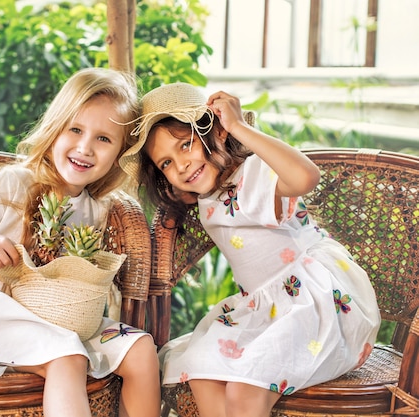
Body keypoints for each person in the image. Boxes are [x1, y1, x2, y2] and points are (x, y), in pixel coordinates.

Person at [118, 82, 381, 417]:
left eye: (186, 145)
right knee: (203, 370)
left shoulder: (251, 175)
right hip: (265, 309)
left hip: (312, 303)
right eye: (166, 163)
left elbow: (305, 176)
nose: (181, 165)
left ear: (216, 133)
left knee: (244, 389)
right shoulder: (204, 195)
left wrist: (239, 127)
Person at [0, 68, 161, 417]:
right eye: (75, 129)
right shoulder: (12, 185)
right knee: (67, 357)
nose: (85, 148)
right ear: (55, 128)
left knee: (141, 348)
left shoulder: (95, 210)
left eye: (104, 139)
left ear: (120, 152)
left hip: (61, 320)